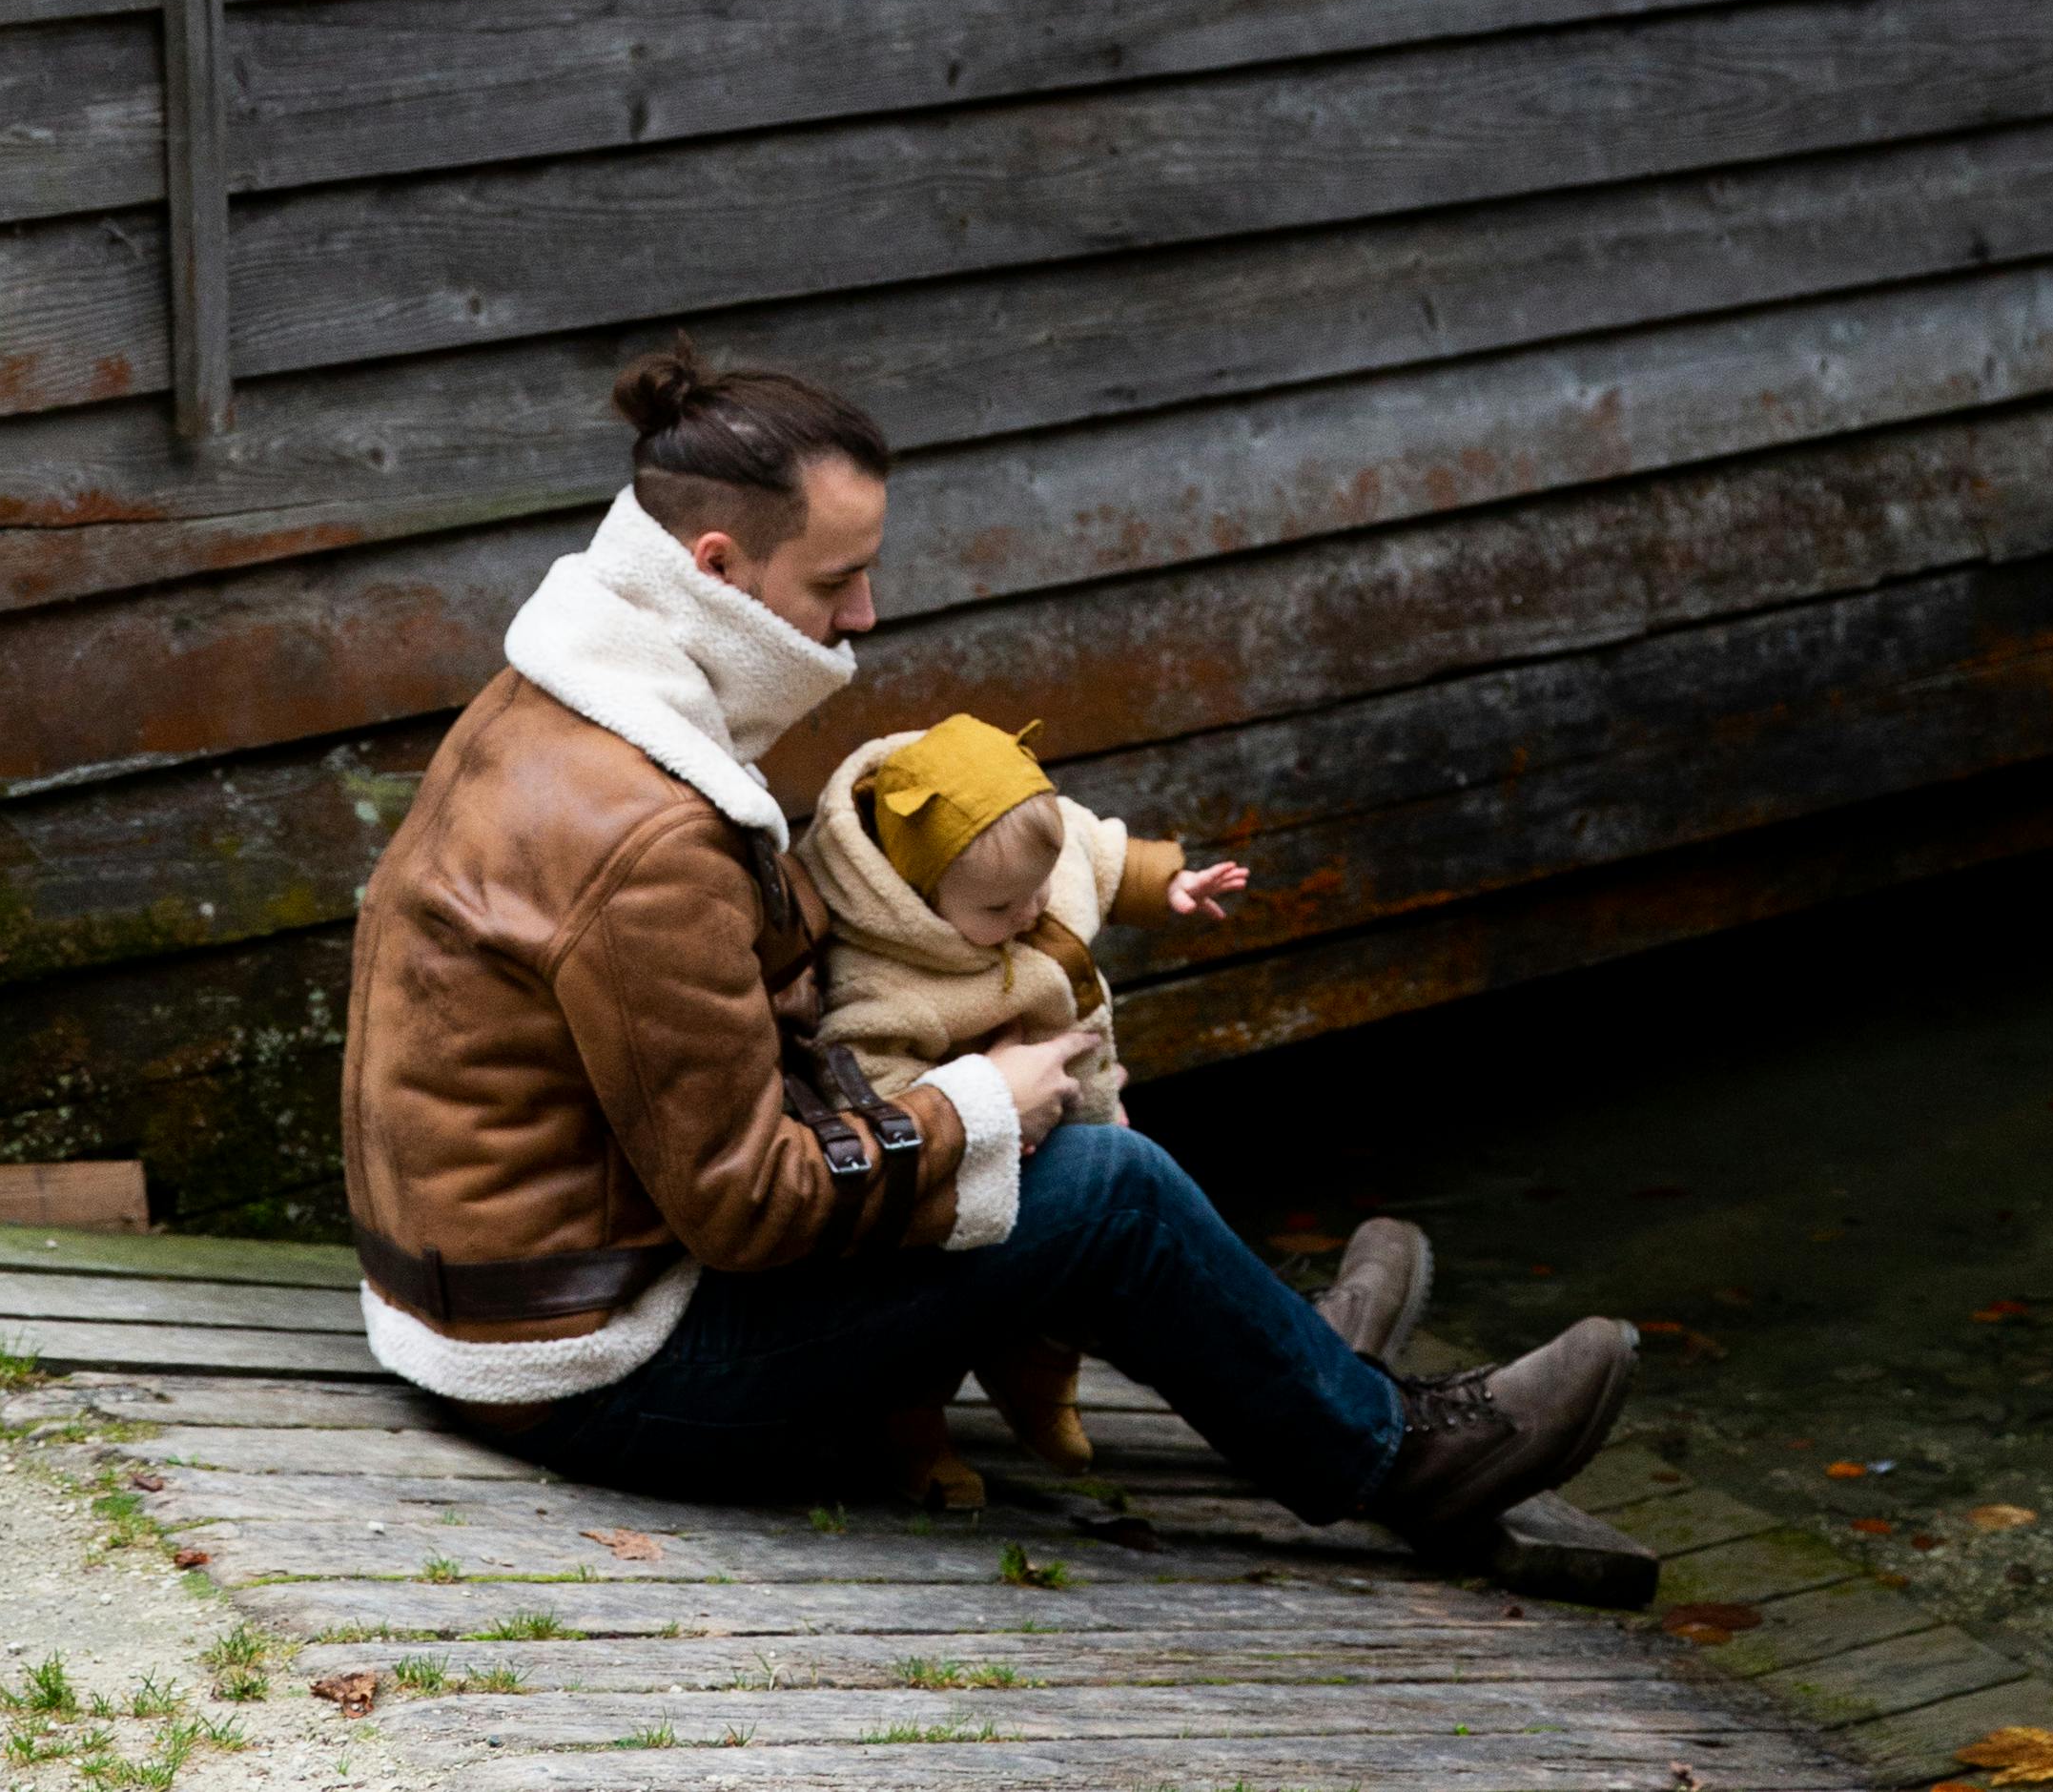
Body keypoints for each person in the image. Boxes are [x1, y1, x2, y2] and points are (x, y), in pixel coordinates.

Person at [340, 342, 1635, 1542]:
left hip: (494, 1307)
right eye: (836, 578)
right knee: (1100, 1182)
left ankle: (1289, 1359)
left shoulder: (551, 700)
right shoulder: (646, 834)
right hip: (598, 1371)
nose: (863, 611)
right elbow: (747, 1205)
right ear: (720, 565)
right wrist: (974, 1106)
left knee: (1040, 1117)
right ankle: (1391, 1452)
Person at [797, 709, 1249, 1500]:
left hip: (1078, 1102)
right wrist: (980, 1110)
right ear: (917, 900)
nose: (1031, 913)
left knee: (1077, 1278)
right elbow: (863, 1083)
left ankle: (1038, 1374)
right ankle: (907, 1428)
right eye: (1000, 911)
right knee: (932, 1312)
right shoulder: (886, 972)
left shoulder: (1026, 868)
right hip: (966, 1156)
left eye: (1037, 891)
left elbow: (1087, 846)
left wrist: (1160, 882)